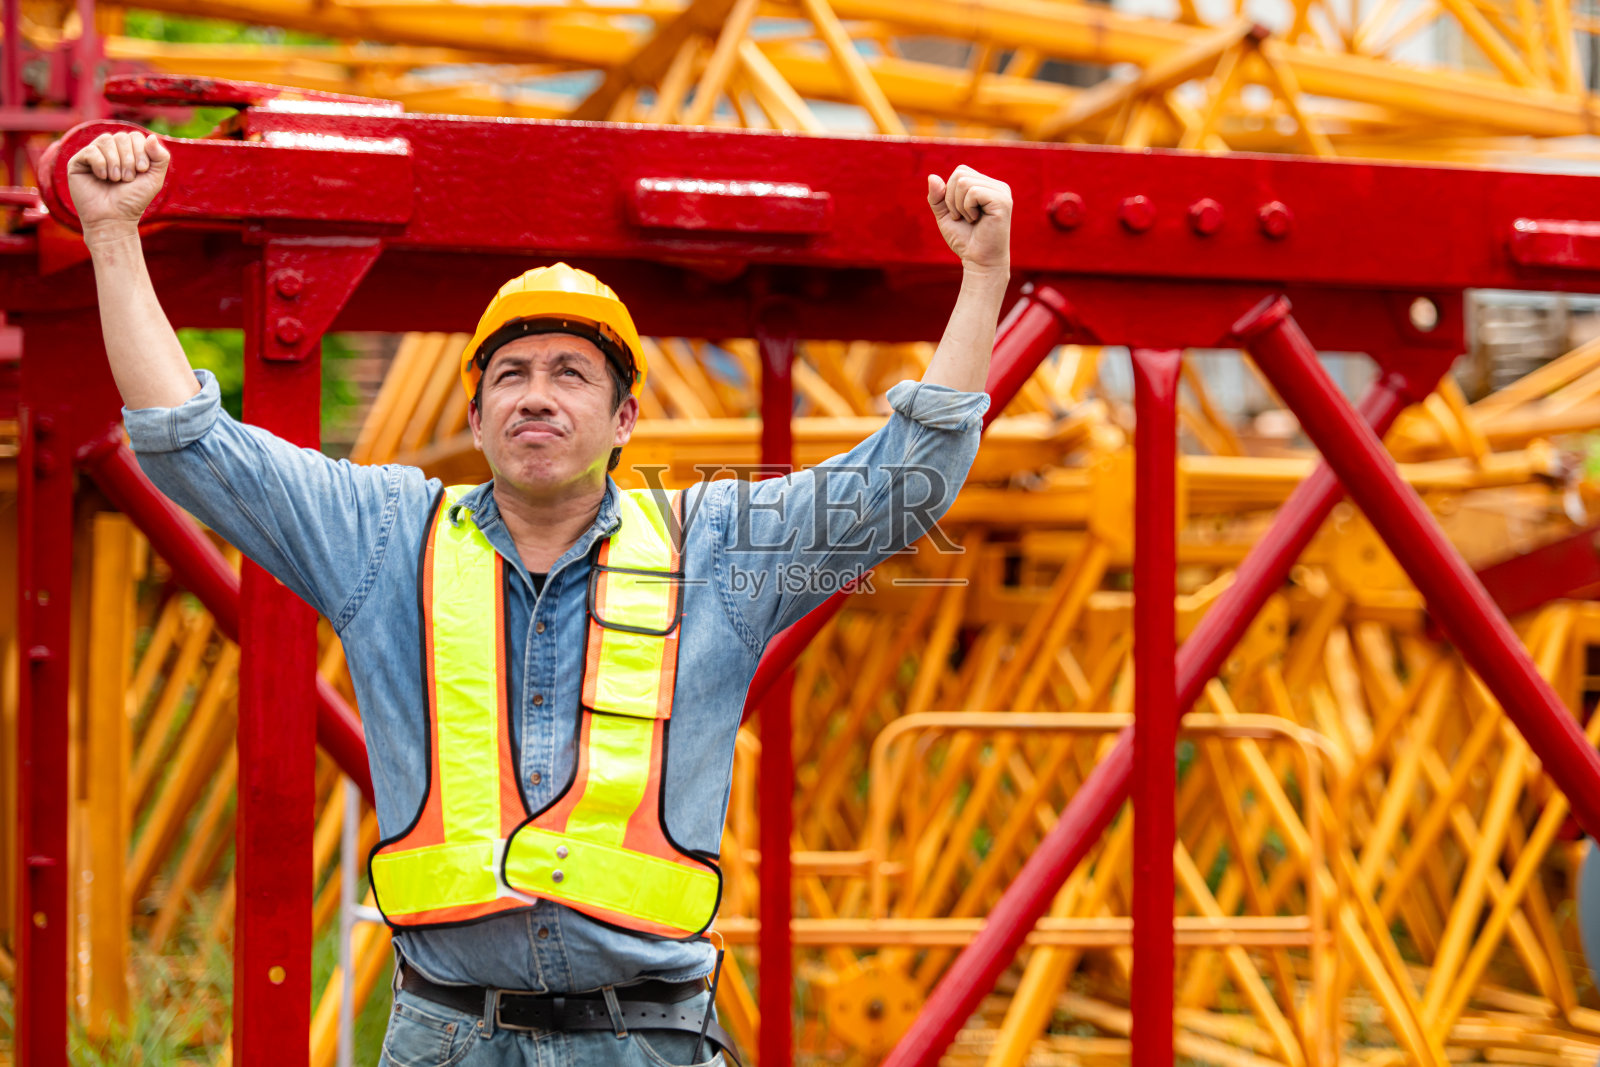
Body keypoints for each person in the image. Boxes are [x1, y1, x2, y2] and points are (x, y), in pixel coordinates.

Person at [68, 127, 1011, 1067]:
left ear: (624, 419)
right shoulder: (388, 535)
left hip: (650, 1038)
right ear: (475, 418)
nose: (536, 396)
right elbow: (186, 442)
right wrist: (113, 234)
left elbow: (905, 481)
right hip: (447, 1034)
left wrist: (981, 278)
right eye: (509, 375)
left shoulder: (714, 548)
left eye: (571, 374)